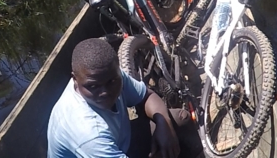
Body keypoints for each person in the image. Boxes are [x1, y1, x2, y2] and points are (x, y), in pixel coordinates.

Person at [47, 37, 184, 158]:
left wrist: (164, 124)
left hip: (121, 142)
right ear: (75, 80)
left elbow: (147, 96)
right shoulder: (89, 134)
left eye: (112, 82)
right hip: (101, 149)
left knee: (179, 120)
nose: (105, 92)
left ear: (117, 70)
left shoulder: (107, 74)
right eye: (93, 87)